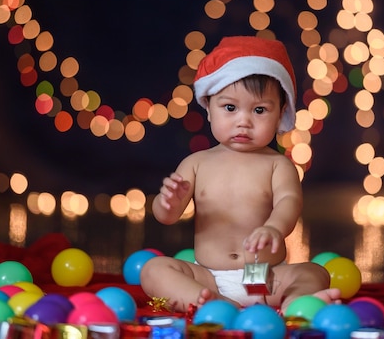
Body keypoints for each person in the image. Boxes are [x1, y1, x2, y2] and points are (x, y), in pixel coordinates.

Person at [140, 36, 341, 313]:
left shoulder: (277, 165)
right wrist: (168, 203)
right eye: (230, 108)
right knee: (153, 270)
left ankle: (295, 303)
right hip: (208, 276)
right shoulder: (196, 163)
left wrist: (273, 228)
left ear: (281, 112)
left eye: (259, 110)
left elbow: (289, 203)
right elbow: (167, 217)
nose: (243, 121)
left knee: (314, 272)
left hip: (265, 276)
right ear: (209, 108)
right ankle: (221, 304)